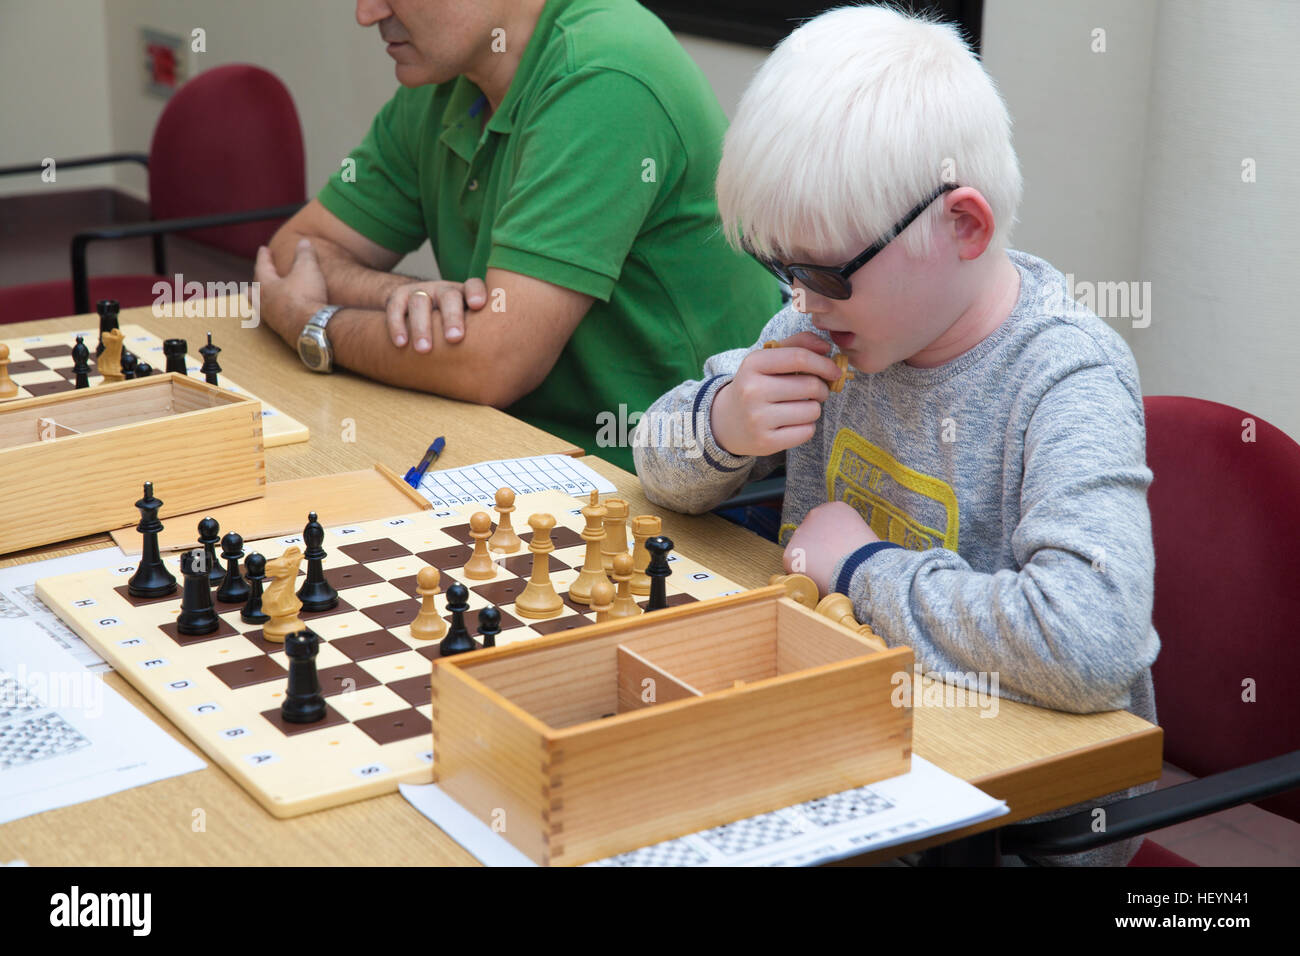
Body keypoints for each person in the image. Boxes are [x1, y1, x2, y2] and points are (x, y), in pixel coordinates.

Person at [633, 4, 1159, 866]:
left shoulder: (1067, 375)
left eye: (824, 272)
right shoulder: (824, 321)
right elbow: (656, 464)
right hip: (849, 753)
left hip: (1016, 824)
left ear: (963, 226)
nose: (798, 301)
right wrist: (723, 425)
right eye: (781, 269)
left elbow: (1090, 641)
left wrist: (862, 571)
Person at [254, 0, 779, 471]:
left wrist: (312, 323)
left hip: (676, 493)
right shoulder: (451, 75)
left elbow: (492, 364)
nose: (365, 13)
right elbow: (293, 253)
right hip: (514, 447)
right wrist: (395, 295)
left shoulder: (604, 74)